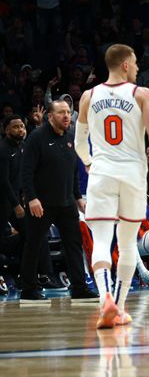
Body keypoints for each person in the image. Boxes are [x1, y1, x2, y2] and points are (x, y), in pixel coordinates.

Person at [76, 44, 149, 328]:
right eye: (136, 64)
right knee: (128, 242)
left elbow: (80, 142)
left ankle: (105, 298)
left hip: (102, 174)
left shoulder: (88, 96)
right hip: (132, 174)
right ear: (126, 65)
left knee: (102, 241)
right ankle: (117, 307)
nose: (139, 69)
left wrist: (90, 163)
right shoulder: (141, 94)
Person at [18, 101, 97, 302]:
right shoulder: (36, 138)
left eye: (68, 112)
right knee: (34, 245)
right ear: (50, 116)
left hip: (67, 202)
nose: (66, 116)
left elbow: (72, 172)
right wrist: (32, 198)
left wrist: (78, 197)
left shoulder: (70, 137)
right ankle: (28, 289)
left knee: (74, 244)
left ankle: (79, 288)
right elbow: (25, 172)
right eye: (61, 112)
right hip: (41, 203)